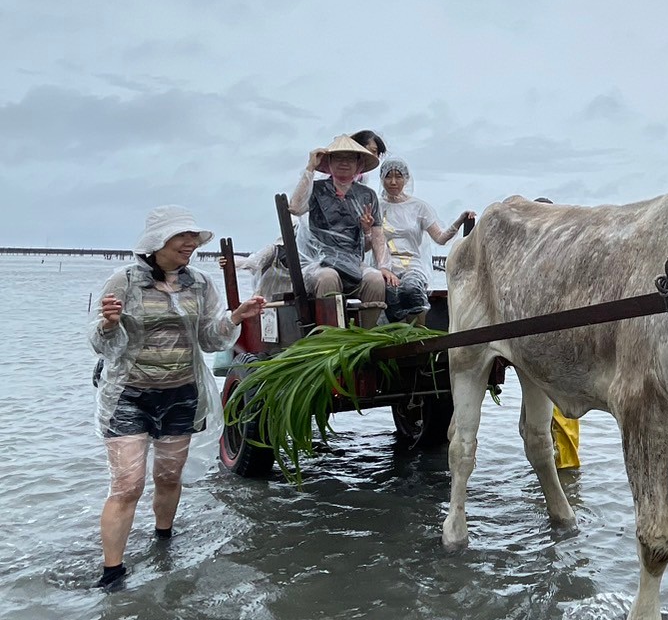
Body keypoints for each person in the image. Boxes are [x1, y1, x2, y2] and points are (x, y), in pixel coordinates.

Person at [90, 207, 266, 588]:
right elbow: (100, 344)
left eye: (193, 238)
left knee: (169, 477)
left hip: (181, 394)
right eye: (182, 237)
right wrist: (108, 324)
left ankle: (163, 540)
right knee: (127, 485)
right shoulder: (124, 281)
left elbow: (209, 339)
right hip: (128, 396)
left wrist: (236, 317)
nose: (191, 244)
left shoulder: (200, 284)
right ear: (156, 243)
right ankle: (112, 573)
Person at [287, 134, 398, 317]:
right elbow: (295, 207)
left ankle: (365, 337)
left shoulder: (367, 195)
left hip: (353, 261)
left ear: (359, 164)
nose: (344, 163)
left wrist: (384, 265)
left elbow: (378, 236)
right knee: (328, 277)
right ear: (329, 162)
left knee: (376, 279)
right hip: (321, 261)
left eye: (350, 158)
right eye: (338, 158)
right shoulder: (317, 189)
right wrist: (310, 168)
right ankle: (331, 333)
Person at [378, 156, 475, 323]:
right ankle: (395, 339)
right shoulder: (376, 206)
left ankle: (419, 338)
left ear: (406, 179)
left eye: (398, 176)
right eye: (388, 176)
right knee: (390, 293)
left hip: (412, 265)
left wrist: (459, 221)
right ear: (381, 179)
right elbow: (369, 240)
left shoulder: (418, 207)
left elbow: (440, 238)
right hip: (385, 266)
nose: (393, 182)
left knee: (411, 289)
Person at [534, 198, 581, 469]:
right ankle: (563, 475)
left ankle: (564, 472)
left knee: (564, 417)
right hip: (547, 350)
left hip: (562, 351)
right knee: (552, 418)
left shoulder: (561, 255)